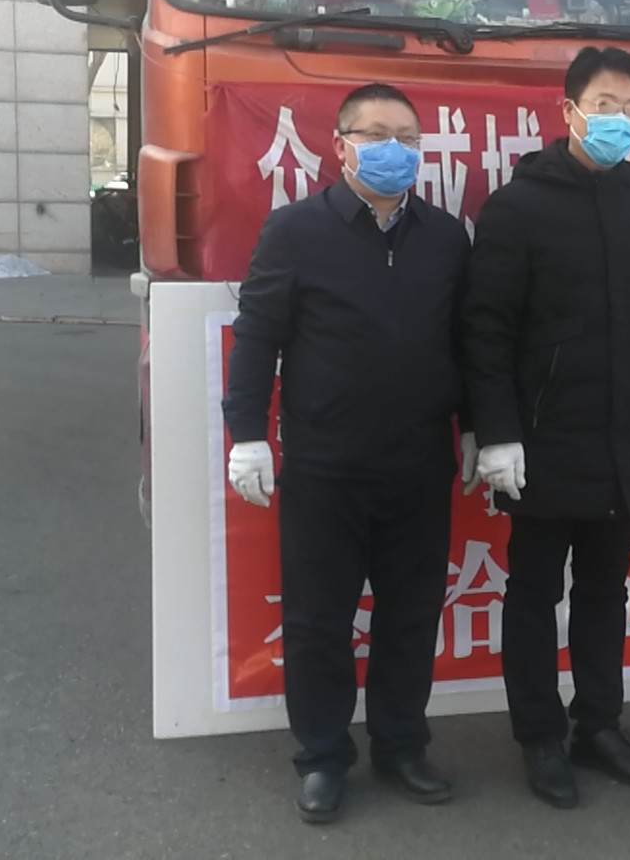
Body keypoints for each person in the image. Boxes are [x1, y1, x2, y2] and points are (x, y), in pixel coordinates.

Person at [222, 84, 474, 824]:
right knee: (318, 622)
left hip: (420, 464)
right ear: (340, 146)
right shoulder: (296, 230)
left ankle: (400, 747)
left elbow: (467, 341)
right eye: (375, 134)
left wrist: (477, 426)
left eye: (407, 137)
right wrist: (245, 434)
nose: (393, 148)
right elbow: (257, 335)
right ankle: (323, 758)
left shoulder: (446, 237)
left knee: (410, 616)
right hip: (325, 467)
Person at [463, 46, 630, 809]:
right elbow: (485, 329)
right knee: (532, 593)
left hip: (624, 441)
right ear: (569, 112)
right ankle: (539, 736)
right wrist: (496, 432)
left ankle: (598, 726)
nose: (618, 119)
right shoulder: (517, 207)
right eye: (603, 105)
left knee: (603, 591)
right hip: (542, 442)